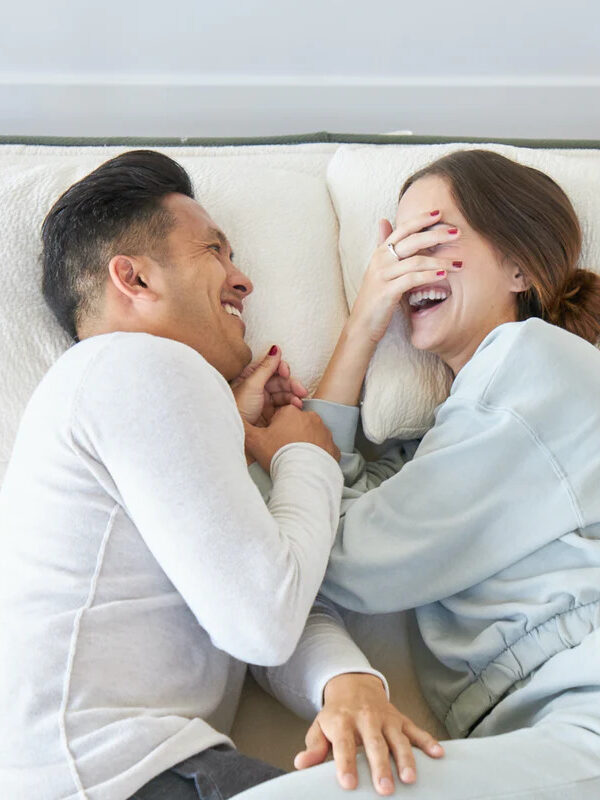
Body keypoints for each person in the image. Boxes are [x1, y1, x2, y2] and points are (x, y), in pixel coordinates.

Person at [0, 150, 443, 800]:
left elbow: (263, 598)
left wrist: (345, 680)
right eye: (215, 251)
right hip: (119, 775)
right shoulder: (141, 365)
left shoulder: (119, 389)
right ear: (134, 278)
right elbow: (264, 623)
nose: (243, 281)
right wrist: (305, 457)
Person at [236, 150, 600, 799]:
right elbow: (314, 529)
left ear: (519, 265)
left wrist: (277, 445)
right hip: (535, 737)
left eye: (430, 238)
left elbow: (341, 555)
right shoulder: (445, 441)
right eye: (395, 250)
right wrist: (364, 328)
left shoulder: (537, 368)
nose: (404, 269)